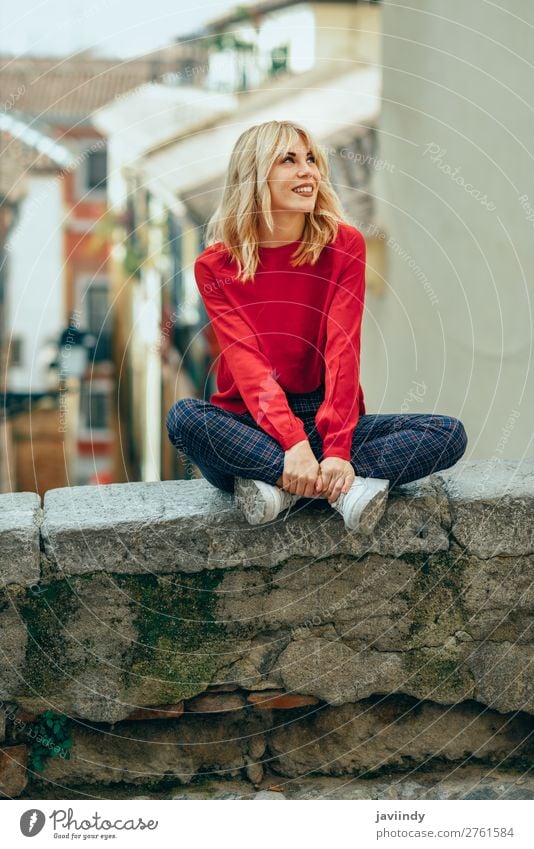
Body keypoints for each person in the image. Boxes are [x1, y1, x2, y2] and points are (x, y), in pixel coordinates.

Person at [166, 120, 467, 532]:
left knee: (447, 434)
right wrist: (292, 445)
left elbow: (343, 352)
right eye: (289, 160)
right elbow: (248, 368)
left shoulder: (344, 246)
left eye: (311, 159)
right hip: (248, 427)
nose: (308, 170)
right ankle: (343, 489)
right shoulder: (216, 266)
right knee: (185, 418)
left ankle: (282, 487)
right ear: (255, 176)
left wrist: (337, 450)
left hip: (325, 418)